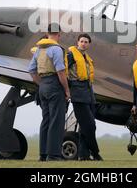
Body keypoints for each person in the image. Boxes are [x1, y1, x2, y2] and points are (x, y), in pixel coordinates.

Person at [28, 23, 70, 161]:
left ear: (47, 33)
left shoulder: (39, 49)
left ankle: (43, 154)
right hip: (54, 85)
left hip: (43, 86)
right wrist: (66, 90)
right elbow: (60, 71)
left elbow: (32, 70)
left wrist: (41, 84)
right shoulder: (56, 49)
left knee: (46, 120)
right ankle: (53, 155)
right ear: (59, 34)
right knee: (56, 121)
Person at [67, 33, 102, 161]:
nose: (83, 43)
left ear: (89, 44)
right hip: (77, 92)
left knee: (84, 126)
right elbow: (64, 72)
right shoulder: (70, 55)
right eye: (81, 41)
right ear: (77, 42)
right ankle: (96, 153)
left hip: (88, 92)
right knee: (90, 125)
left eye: (86, 42)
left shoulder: (86, 57)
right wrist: (68, 89)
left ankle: (83, 155)